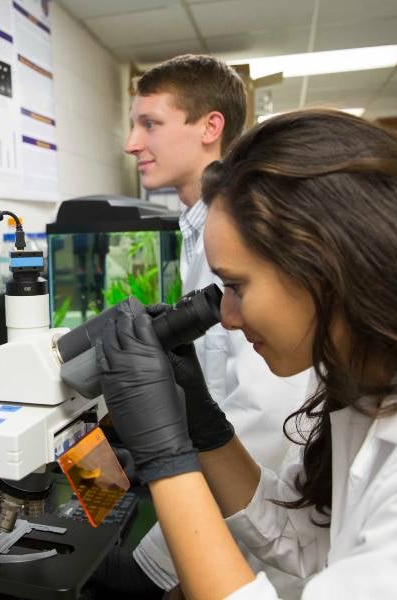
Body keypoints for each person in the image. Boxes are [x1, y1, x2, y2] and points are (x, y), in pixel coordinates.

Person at [95, 109, 397, 599]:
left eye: (236, 286)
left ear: (328, 268)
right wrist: (205, 427)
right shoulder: (372, 384)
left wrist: (167, 460)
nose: (227, 316)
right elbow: (306, 541)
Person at [96, 54, 310, 597]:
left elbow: (268, 416)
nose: (131, 143)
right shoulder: (197, 235)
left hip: (242, 520)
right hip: (246, 511)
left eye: (150, 123)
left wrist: (172, 457)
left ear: (210, 126)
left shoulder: (245, 232)